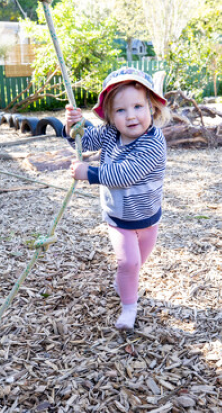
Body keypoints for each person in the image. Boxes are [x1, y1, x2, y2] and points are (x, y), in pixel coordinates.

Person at [64, 67, 171, 330]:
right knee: (129, 262)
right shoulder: (111, 133)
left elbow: (125, 174)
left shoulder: (153, 142)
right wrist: (71, 126)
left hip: (148, 216)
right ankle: (129, 307)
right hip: (119, 217)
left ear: (152, 108)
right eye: (121, 110)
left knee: (137, 262)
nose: (131, 116)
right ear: (111, 116)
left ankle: (124, 280)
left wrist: (88, 172)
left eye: (137, 106)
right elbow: (84, 140)